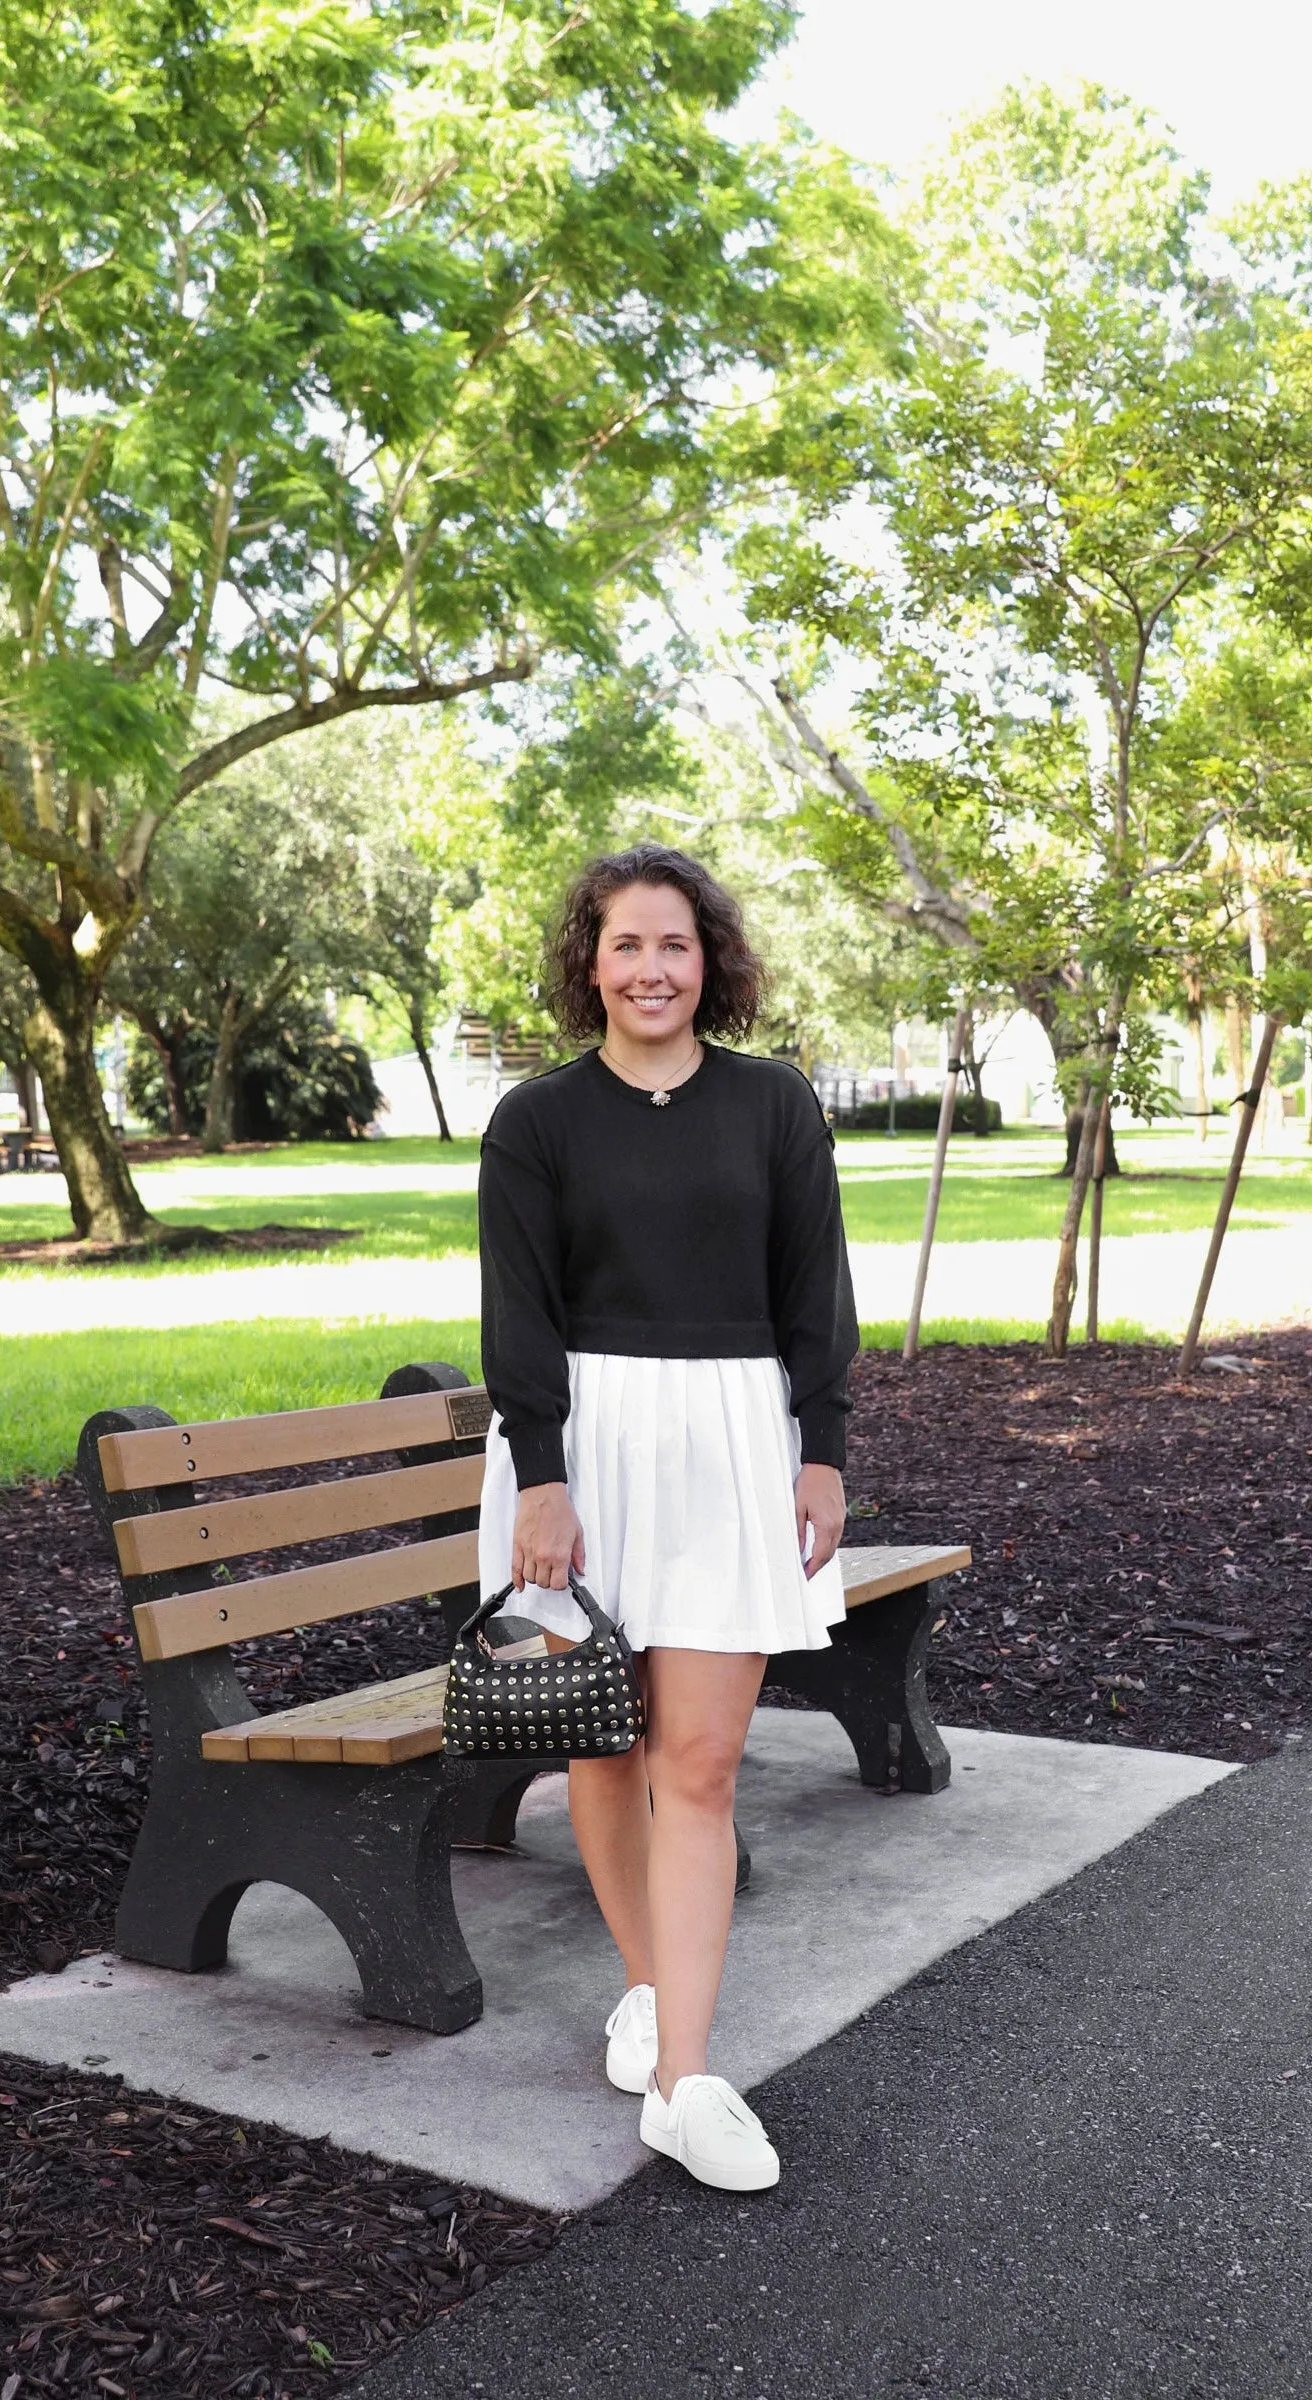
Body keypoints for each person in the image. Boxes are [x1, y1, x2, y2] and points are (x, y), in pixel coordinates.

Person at [476, 843, 858, 2192]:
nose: (651, 968)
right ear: (591, 961)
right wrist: (540, 1477)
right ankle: (649, 1991)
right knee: (600, 1751)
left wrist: (823, 1450)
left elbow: (817, 1292)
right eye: (627, 944)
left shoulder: (775, 1107)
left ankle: (687, 2082)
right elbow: (518, 1314)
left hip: (734, 1442)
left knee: (698, 1764)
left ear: (713, 962)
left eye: (676, 945)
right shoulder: (534, 1124)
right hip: (583, 1452)